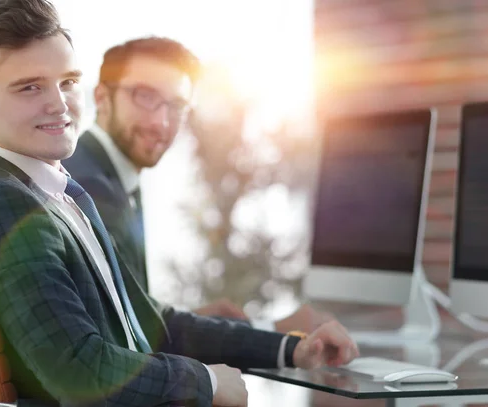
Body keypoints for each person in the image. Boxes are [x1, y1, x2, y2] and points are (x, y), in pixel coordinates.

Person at [0, 1, 358, 407]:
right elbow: (77, 371)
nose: (59, 102)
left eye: (66, 81)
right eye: (30, 87)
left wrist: (291, 348)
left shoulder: (60, 196)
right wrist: (207, 382)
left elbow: (150, 324)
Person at [63, 37, 334, 334]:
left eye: (177, 105)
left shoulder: (112, 175)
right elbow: (135, 335)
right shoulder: (89, 185)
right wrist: (273, 330)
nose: (162, 122)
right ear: (101, 98)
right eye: (144, 96)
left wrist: (200, 318)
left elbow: (132, 316)